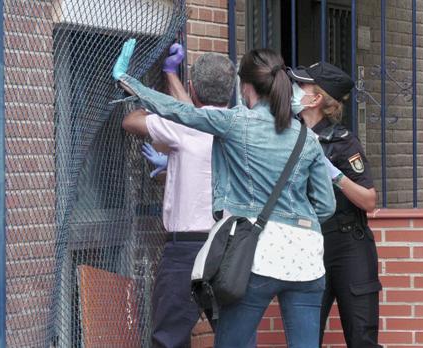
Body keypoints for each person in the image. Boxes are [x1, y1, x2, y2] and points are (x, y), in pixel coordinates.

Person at [113, 39, 336, 348]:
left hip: (261, 255)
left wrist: (129, 81)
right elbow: (326, 206)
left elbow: (179, 112)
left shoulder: (235, 122)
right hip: (308, 259)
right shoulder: (306, 137)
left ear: (244, 87)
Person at [121, 44, 239, 348]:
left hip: (187, 251)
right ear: (232, 89)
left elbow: (131, 121)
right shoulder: (243, 127)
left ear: (191, 89)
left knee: (170, 339)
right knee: (235, 336)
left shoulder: (182, 126)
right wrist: (170, 75)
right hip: (231, 247)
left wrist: (149, 96)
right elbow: (198, 115)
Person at [287, 62, 382, 348]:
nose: (293, 90)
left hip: (347, 244)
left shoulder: (343, 143)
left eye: (300, 86)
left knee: (361, 336)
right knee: (306, 336)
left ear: (316, 99)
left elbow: (369, 200)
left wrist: (335, 174)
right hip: (308, 241)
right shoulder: (288, 136)